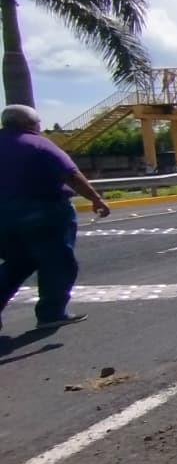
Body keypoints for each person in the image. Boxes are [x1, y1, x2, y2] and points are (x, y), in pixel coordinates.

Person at [0, 105, 111, 332]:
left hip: (4, 217)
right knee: (57, 262)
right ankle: (51, 313)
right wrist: (96, 199)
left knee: (16, 263)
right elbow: (71, 174)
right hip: (45, 212)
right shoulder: (38, 143)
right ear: (30, 124)